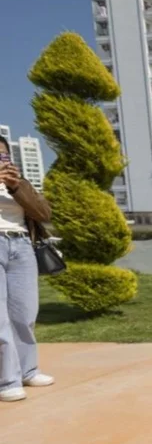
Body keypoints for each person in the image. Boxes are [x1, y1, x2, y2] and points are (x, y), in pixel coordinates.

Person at [0, 134, 54, 403]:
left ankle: (28, 370)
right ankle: (7, 380)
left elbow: (44, 213)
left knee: (25, 313)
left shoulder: (18, 184)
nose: (1, 161)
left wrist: (16, 187)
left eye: (4, 155)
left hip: (21, 245)